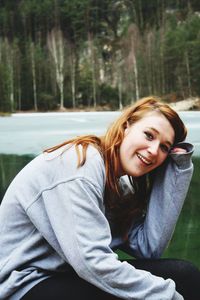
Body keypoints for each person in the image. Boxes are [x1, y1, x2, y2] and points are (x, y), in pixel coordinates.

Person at [0, 96, 199, 300]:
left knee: (185, 275)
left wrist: (178, 167)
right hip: (21, 284)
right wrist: (169, 296)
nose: (154, 151)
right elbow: (92, 263)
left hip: (62, 275)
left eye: (164, 147)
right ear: (126, 126)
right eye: (149, 135)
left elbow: (148, 247)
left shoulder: (119, 185)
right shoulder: (80, 165)